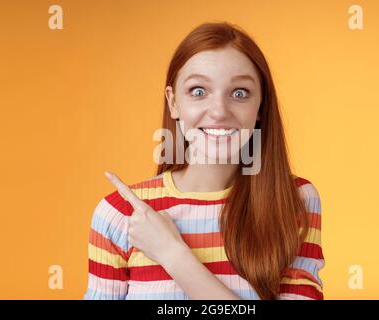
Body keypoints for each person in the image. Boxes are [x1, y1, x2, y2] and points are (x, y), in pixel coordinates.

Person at [84, 21, 325, 300]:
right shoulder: (119, 214)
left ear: (260, 106)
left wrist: (172, 254)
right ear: (173, 103)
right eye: (198, 91)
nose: (219, 112)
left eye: (239, 93)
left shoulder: (294, 201)